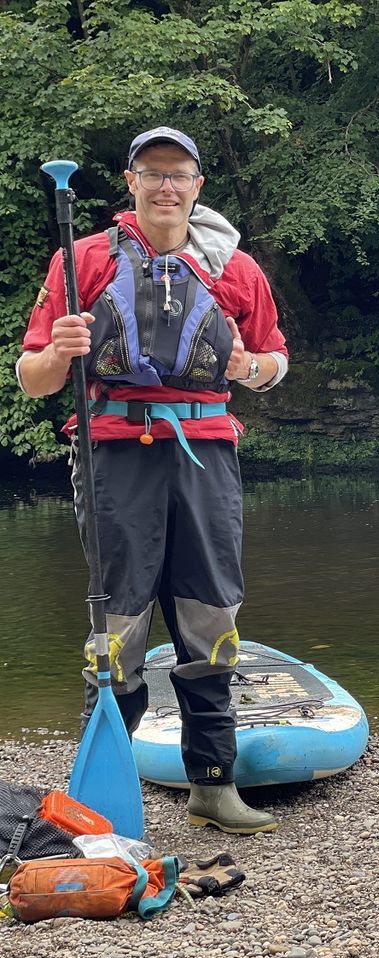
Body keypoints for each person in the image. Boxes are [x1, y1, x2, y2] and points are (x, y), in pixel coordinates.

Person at [17, 126, 289, 833]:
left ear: (198, 187)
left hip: (206, 452)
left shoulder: (235, 268)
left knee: (211, 613)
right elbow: (32, 379)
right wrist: (61, 354)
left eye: (179, 175)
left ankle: (212, 785)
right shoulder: (80, 263)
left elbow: (273, 358)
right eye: (152, 173)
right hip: (114, 451)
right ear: (130, 183)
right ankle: (102, 791)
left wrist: (249, 370)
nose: (166, 186)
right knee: (119, 621)